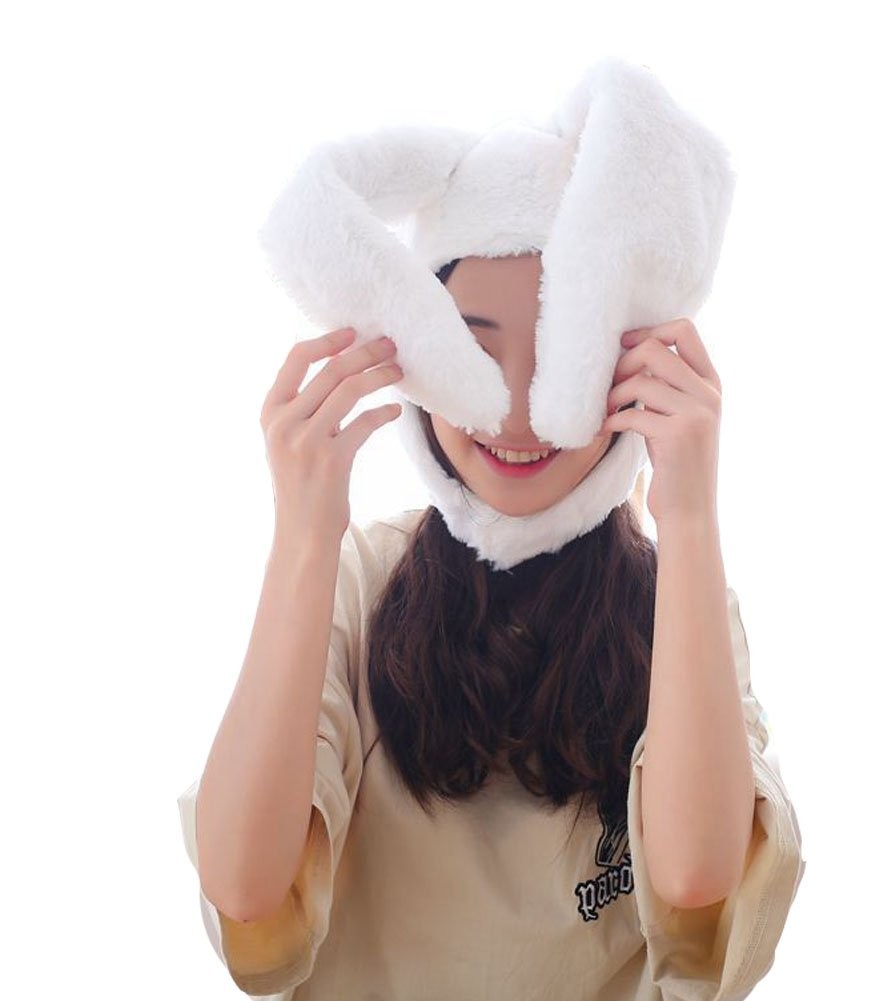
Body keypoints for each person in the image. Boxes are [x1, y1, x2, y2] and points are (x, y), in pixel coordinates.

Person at [177, 58, 806, 1000]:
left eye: (561, 354)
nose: (513, 410)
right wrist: (304, 536)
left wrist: (688, 512)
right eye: (471, 350)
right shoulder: (361, 578)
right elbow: (243, 888)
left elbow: (693, 884)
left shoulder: (681, 608)